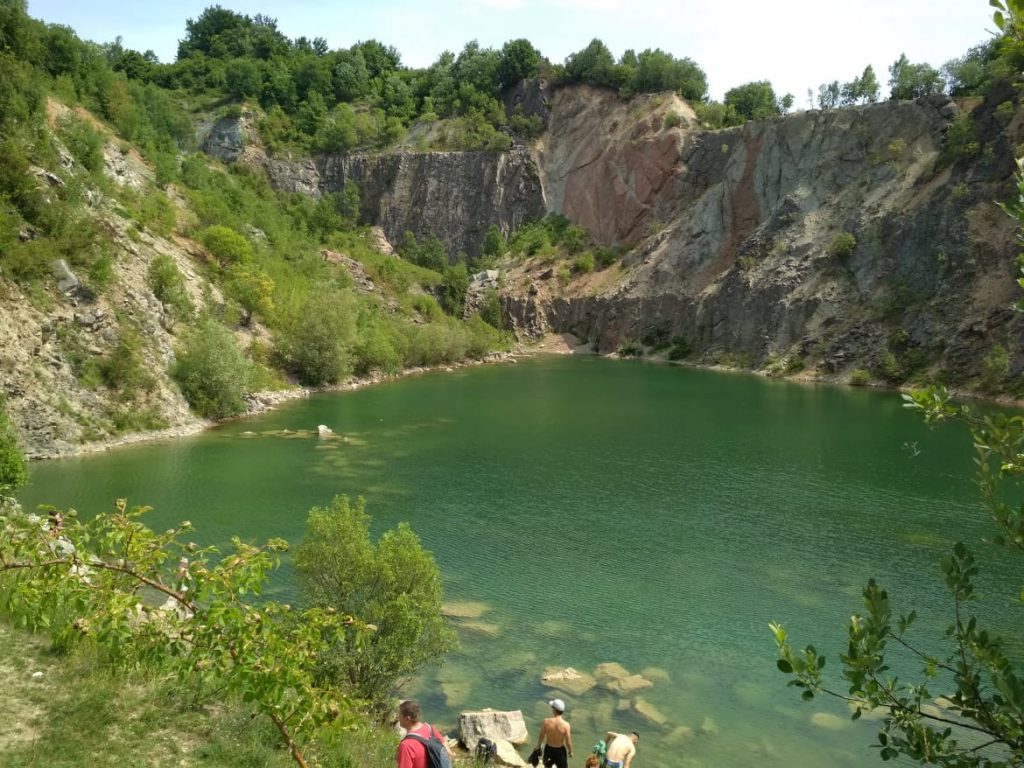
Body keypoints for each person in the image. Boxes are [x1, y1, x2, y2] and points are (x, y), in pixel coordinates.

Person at [396, 699, 453, 768]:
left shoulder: (406, 745)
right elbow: (448, 752)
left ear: (407, 719)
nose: (398, 717)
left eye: (400, 715)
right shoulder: (431, 729)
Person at [536, 698, 573, 768]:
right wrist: (570, 751)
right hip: (560, 751)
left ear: (554, 710)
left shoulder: (546, 722)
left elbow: (541, 736)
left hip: (549, 750)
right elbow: (568, 741)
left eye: (552, 708)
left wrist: (538, 746)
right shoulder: (566, 725)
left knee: (547, 766)